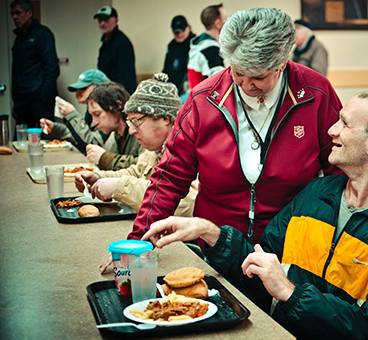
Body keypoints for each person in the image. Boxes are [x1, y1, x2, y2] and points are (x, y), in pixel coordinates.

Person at [141, 92, 368, 339]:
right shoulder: (318, 193)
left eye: (344, 124)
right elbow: (261, 265)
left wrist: (290, 293)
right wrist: (209, 232)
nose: (331, 130)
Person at [127, 7, 342, 244]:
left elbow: (340, 171)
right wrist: (138, 240)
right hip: (216, 243)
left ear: (282, 64)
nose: (247, 85)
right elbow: (170, 177)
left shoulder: (316, 94)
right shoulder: (203, 99)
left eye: (258, 77)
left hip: (291, 244)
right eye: (239, 73)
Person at [74, 75, 197, 259]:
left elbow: (185, 203)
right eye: (129, 122)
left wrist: (118, 187)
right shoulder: (153, 149)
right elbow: (137, 172)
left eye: (137, 121)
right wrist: (101, 177)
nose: (131, 130)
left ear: (165, 118)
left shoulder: (190, 148)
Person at [10, 0, 59, 128]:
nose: (14, 17)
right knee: (21, 142)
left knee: (43, 142)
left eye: (18, 13)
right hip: (22, 102)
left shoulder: (43, 34)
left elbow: (52, 68)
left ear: (29, 13)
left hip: (39, 100)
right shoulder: (19, 39)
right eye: (12, 14)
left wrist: (44, 98)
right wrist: (15, 102)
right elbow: (17, 73)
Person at [40, 69, 110, 152]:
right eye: (76, 89)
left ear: (99, 87)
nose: (77, 93)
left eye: (83, 88)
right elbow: (82, 136)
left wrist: (72, 115)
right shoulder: (90, 110)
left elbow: (92, 144)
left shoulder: (108, 108)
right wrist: (56, 129)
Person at [85, 83, 141, 170]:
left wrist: (105, 159)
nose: (93, 123)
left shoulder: (140, 131)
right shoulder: (114, 135)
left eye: (97, 114)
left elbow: (144, 166)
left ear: (118, 105)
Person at [94, 5, 137, 94]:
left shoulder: (122, 43)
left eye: (106, 20)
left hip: (119, 94)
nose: (102, 23)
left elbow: (125, 76)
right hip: (108, 91)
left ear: (116, 20)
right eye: (99, 20)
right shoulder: (105, 43)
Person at [187, 3, 225, 88]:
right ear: (218, 23)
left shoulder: (198, 44)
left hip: (196, 95)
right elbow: (221, 82)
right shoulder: (210, 49)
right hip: (203, 99)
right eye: (225, 19)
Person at [163, 15, 196, 96]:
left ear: (188, 28)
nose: (179, 34)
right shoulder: (172, 45)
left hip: (189, 89)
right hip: (172, 90)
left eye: (182, 31)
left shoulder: (195, 44)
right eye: (176, 32)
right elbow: (166, 69)